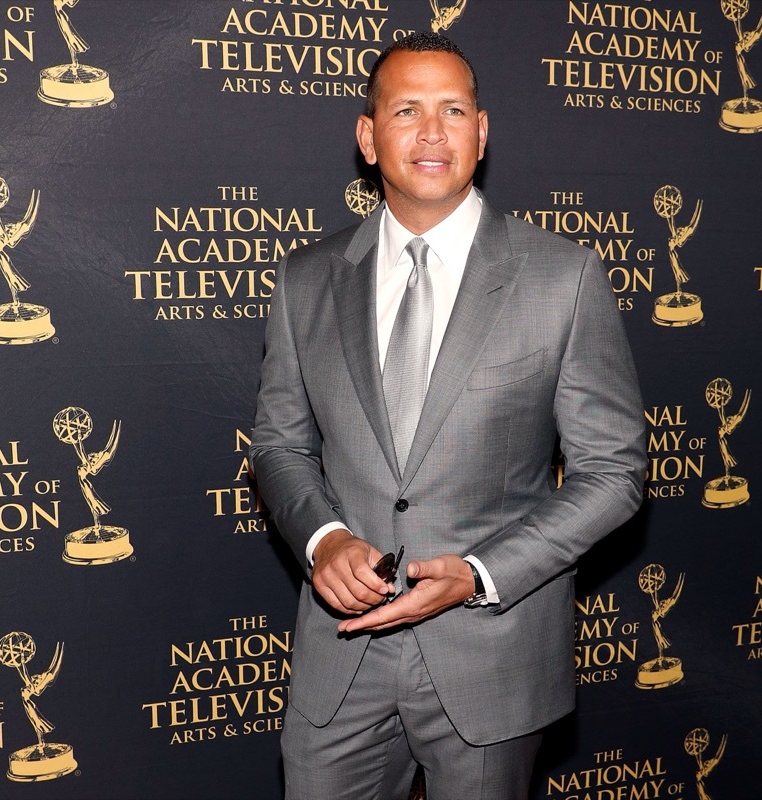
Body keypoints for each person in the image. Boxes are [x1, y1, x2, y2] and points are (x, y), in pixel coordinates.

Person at [251, 31, 646, 800]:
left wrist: (480, 574)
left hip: (492, 660)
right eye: (406, 110)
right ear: (368, 137)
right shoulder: (305, 280)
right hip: (342, 661)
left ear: (482, 130)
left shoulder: (563, 277)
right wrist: (324, 538)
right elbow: (279, 445)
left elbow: (614, 474)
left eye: (453, 110)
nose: (432, 132)